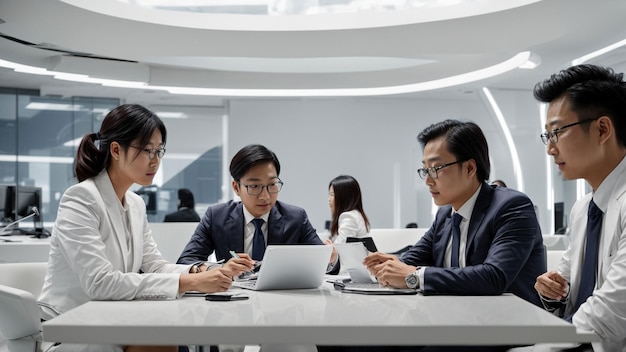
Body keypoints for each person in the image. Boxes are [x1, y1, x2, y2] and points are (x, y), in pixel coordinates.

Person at [37, 104, 251, 352]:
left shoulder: (136, 204)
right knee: (162, 342)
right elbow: (100, 283)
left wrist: (206, 269)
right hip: (70, 329)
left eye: (159, 151)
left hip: (110, 321)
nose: (156, 161)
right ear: (116, 149)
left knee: (167, 337)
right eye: (148, 151)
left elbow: (155, 266)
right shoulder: (80, 198)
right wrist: (190, 283)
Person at [332, 119, 545, 352]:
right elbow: (418, 254)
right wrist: (391, 263)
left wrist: (414, 276)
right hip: (453, 319)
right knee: (354, 341)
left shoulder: (511, 206)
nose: (427, 179)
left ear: (470, 168)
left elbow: (494, 276)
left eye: (435, 168)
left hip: (501, 325)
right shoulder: (445, 213)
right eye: (425, 169)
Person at [533, 64, 626, 352]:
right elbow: (567, 290)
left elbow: (611, 314)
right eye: (547, 136)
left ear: (602, 129)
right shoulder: (584, 209)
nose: (550, 148)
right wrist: (552, 293)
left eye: (557, 132)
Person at [177, 144, 338, 271]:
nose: (265, 196)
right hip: (232, 305)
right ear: (236, 187)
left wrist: (331, 259)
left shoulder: (295, 218)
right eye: (254, 186)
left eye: (272, 185)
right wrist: (220, 269)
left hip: (282, 304)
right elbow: (186, 261)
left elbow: (322, 261)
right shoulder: (217, 216)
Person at [327, 175, 370, 244]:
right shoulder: (356, 214)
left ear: (343, 197)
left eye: (332, 195)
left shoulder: (348, 217)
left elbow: (340, 248)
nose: (329, 199)